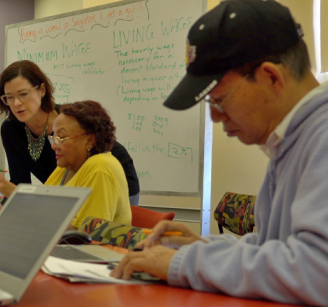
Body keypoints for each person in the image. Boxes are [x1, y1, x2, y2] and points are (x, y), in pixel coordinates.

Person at [111, 1, 328, 305]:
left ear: (271, 78)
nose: (214, 118)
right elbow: (273, 246)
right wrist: (200, 246)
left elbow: (317, 271)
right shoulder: (290, 142)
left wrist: (185, 263)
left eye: (218, 100)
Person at [0, 60, 140, 202]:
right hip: (65, 195)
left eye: (23, 94)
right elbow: (21, 184)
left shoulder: (67, 120)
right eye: (9, 97)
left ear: (41, 90)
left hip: (113, 180)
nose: (16, 103)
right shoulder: (11, 129)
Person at [0, 100, 131, 229]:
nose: (54, 146)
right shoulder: (67, 167)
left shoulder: (100, 167)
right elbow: (40, 206)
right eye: (54, 137)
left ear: (90, 140)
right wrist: (3, 190)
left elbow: (84, 236)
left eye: (63, 137)